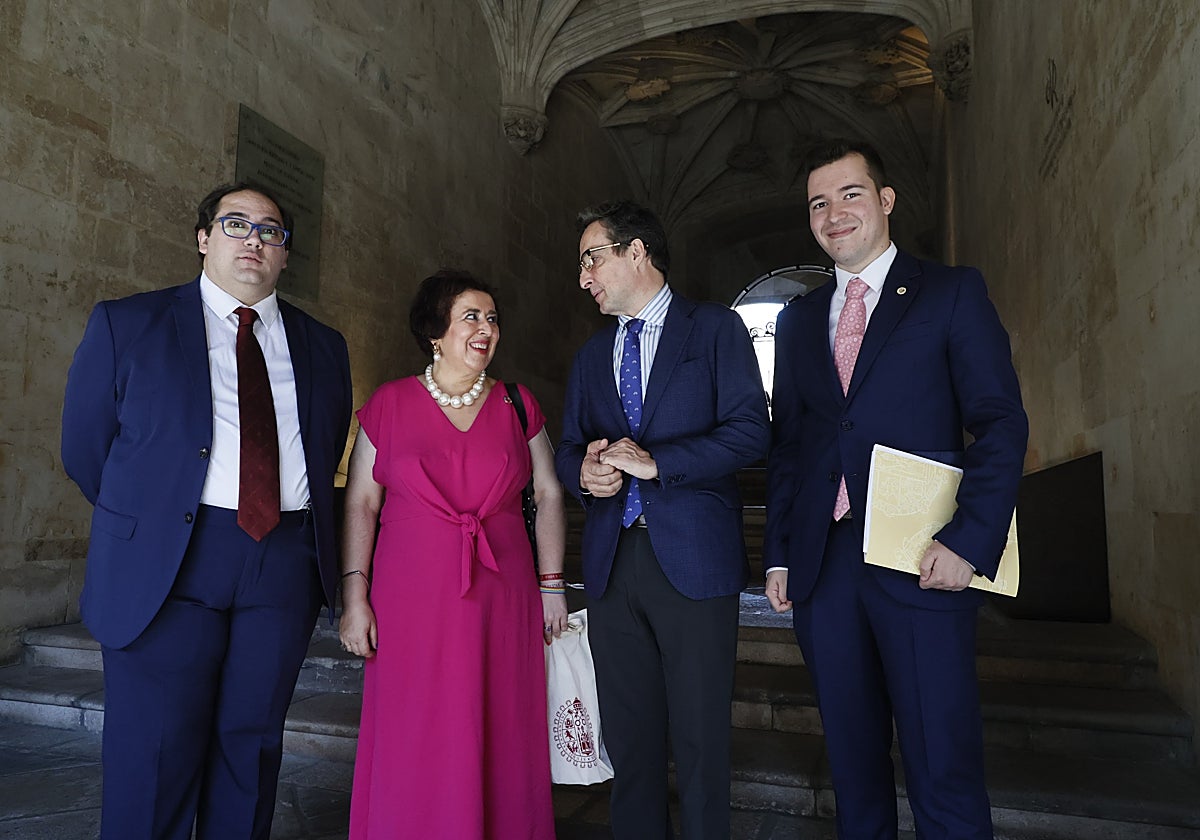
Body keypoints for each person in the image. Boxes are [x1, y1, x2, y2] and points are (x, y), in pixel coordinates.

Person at [61, 183, 353, 840]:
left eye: (269, 231)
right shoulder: (128, 324)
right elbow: (86, 447)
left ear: (284, 255)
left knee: (250, 749)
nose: (253, 239)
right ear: (203, 238)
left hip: (282, 561)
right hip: (168, 563)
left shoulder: (324, 346)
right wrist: (147, 519)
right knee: (153, 756)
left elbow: (323, 446)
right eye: (235, 223)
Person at [764, 139, 1029, 839]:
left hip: (924, 559)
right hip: (824, 571)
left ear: (885, 201)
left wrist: (970, 541)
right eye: (819, 202)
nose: (834, 212)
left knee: (941, 761)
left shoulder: (950, 292)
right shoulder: (794, 323)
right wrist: (780, 554)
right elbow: (790, 446)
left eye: (850, 194)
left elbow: (1000, 423)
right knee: (853, 767)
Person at [555, 201, 770, 839]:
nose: (585, 277)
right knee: (629, 738)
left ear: (637, 253)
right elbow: (569, 446)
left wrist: (659, 463)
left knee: (701, 738)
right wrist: (582, 475)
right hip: (612, 562)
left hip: (696, 561)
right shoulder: (592, 355)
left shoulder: (715, 330)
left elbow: (750, 433)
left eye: (593, 258)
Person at [338, 269, 567, 839]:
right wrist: (354, 595)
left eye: (492, 319)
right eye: (472, 316)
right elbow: (363, 501)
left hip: (503, 591)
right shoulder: (388, 403)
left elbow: (548, 491)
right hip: (411, 596)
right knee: (415, 724)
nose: (486, 328)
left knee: (502, 723)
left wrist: (553, 584)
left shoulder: (517, 403)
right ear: (436, 332)